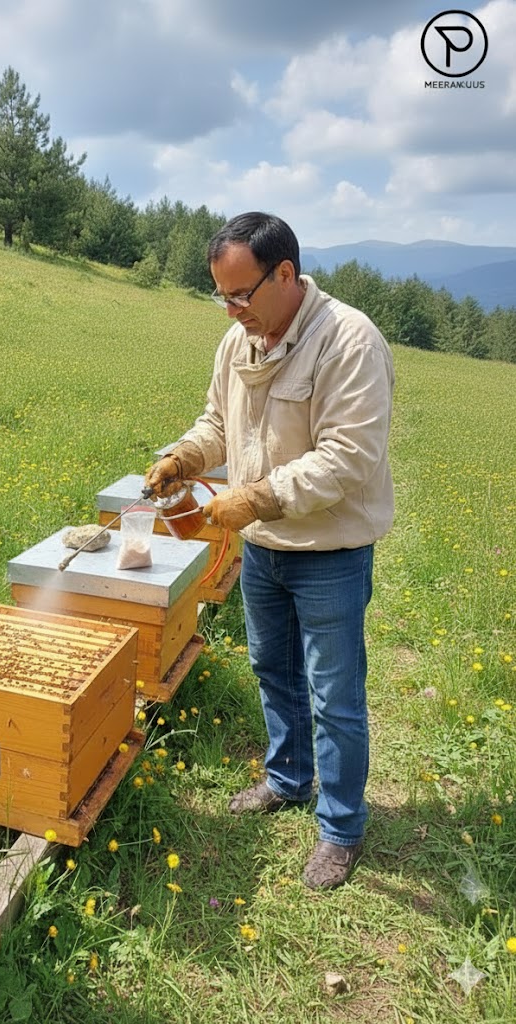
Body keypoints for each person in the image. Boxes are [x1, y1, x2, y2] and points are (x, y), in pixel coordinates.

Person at [144, 212, 394, 890]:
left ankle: (340, 829)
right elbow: (217, 423)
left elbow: (348, 457)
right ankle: (287, 780)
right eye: (220, 296)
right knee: (273, 672)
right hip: (263, 550)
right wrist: (183, 456)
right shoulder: (238, 340)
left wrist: (254, 498)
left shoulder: (348, 340)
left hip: (330, 551)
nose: (231, 310)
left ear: (285, 273)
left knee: (334, 695)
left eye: (240, 294)